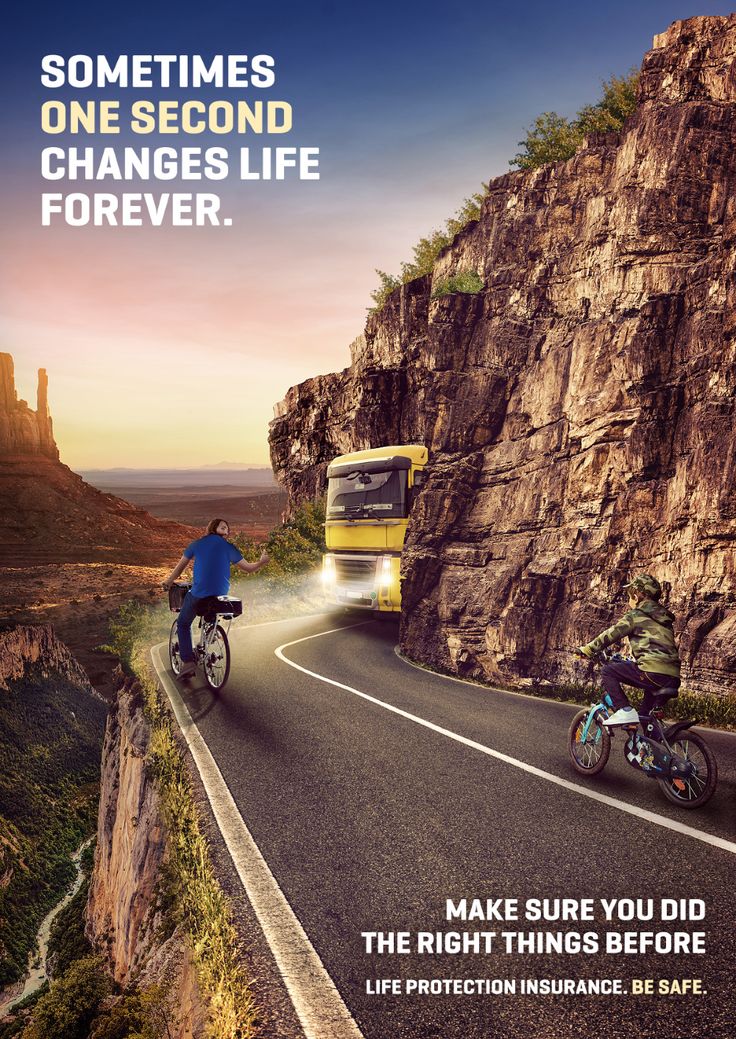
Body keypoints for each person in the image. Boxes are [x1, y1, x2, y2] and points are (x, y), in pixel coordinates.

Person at [162, 518, 269, 679]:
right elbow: (248, 568)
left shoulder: (196, 544)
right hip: (220, 593)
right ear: (217, 529)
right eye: (223, 526)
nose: (226, 528)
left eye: (227, 526)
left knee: (183, 624)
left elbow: (179, 569)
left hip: (198, 593)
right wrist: (262, 562)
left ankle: (188, 662)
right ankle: (212, 629)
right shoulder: (228, 547)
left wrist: (168, 582)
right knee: (212, 608)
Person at [574, 574, 680, 727]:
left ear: (637, 595)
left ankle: (624, 710)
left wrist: (588, 650)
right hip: (672, 677)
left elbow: (611, 634)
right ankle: (650, 749)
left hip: (652, 673)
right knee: (645, 716)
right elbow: (659, 651)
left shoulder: (636, 615)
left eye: (630, 594)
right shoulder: (665, 620)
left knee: (608, 671)